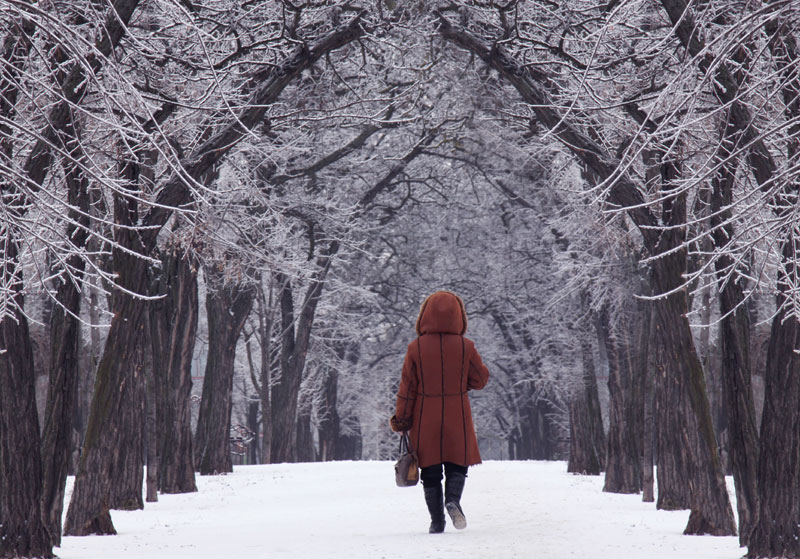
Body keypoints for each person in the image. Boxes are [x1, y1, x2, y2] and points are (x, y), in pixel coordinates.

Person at [390, 290, 490, 533]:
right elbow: (481, 379)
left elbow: (407, 388)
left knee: (430, 469)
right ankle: (452, 499)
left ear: (424, 315)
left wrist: (402, 419)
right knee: (458, 463)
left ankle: (437, 522)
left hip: (426, 416)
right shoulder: (466, 347)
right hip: (458, 413)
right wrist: (460, 382)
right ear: (460, 317)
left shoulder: (416, 348)